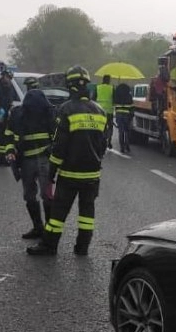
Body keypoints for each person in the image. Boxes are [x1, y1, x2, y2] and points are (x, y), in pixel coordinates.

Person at [27, 65, 108, 256]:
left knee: (57, 214)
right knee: (87, 214)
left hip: (70, 174)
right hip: (93, 175)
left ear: (69, 86)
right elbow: (103, 145)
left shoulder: (66, 110)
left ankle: (49, 246)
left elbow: (59, 146)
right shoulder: (100, 111)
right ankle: (82, 248)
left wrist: (51, 172)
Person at [4, 77, 56, 240]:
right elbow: (58, 137)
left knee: (33, 195)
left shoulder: (18, 113)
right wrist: (11, 150)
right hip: (40, 161)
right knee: (43, 195)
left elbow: (9, 135)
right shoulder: (48, 112)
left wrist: (11, 150)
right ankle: (45, 229)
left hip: (31, 161)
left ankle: (42, 228)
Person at [95, 75, 115, 149]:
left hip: (99, 111)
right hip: (109, 111)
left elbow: (93, 98)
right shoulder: (111, 88)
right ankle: (109, 142)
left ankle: (100, 140)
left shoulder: (98, 87)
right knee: (110, 127)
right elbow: (114, 99)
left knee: (100, 127)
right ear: (109, 80)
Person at [113, 83, 133, 153]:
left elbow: (114, 103)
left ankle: (122, 147)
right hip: (126, 114)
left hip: (119, 114)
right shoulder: (129, 96)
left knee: (120, 131)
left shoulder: (116, 96)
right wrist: (131, 115)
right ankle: (127, 146)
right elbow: (131, 106)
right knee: (127, 131)